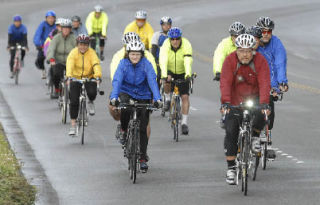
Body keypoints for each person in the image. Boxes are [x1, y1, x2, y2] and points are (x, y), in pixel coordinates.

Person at [220, 34, 271, 185]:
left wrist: (264, 103)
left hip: (254, 99)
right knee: (231, 132)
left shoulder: (260, 61)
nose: (245, 55)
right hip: (235, 101)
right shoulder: (230, 61)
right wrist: (226, 103)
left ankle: (255, 136)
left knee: (265, 112)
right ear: (236, 50)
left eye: (248, 51)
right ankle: (231, 169)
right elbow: (225, 82)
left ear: (253, 51)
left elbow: (264, 82)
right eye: (241, 51)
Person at [109, 40, 162, 173]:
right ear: (128, 54)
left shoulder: (146, 64)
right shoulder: (123, 64)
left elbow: (152, 81)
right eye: (132, 54)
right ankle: (124, 130)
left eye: (137, 54)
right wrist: (114, 97)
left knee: (143, 127)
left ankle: (143, 158)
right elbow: (117, 80)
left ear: (141, 54)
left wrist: (157, 99)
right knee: (125, 108)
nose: (135, 57)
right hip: (125, 91)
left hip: (143, 94)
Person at [109, 32, 157, 144]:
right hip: (124, 88)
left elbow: (153, 74)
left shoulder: (147, 55)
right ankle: (123, 126)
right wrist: (116, 96)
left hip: (144, 89)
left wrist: (155, 96)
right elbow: (114, 76)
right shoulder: (119, 56)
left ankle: (142, 147)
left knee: (146, 118)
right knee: (118, 107)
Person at [256, 17, 289, 159]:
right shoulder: (253, 42)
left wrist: (282, 83)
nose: (265, 34)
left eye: (268, 31)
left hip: (270, 84)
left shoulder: (277, 44)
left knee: (269, 113)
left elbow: (280, 64)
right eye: (263, 31)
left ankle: (268, 143)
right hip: (252, 82)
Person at [66, 34, 102, 135]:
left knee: (92, 92)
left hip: (89, 77)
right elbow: (70, 64)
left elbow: (96, 64)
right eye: (81, 44)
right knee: (73, 101)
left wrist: (97, 76)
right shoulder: (73, 53)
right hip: (75, 78)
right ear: (77, 44)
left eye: (85, 45)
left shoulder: (92, 53)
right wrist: (69, 76)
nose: (83, 47)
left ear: (88, 45)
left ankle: (90, 101)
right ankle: (73, 124)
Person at [159, 27, 193, 135]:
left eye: (177, 39)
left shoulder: (186, 44)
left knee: (185, 97)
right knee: (167, 82)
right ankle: (168, 98)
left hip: (182, 71)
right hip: (169, 70)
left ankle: (184, 123)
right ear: (169, 39)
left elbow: (188, 60)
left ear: (180, 38)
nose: (175, 41)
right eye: (172, 39)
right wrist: (164, 75)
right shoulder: (165, 45)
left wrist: (188, 74)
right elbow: (163, 60)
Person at [46, 19, 77, 98]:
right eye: (64, 28)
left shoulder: (74, 38)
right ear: (61, 29)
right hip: (58, 61)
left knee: (75, 76)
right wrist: (51, 59)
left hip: (70, 62)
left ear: (70, 29)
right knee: (55, 73)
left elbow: (78, 50)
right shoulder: (56, 38)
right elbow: (51, 49)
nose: (66, 30)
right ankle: (57, 89)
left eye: (68, 28)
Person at [33, 10, 56, 79]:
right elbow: (37, 35)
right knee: (39, 59)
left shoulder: (57, 26)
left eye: (52, 18)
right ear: (46, 19)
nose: (51, 20)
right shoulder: (42, 25)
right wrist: (38, 44)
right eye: (49, 18)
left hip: (55, 45)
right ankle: (43, 69)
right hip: (44, 46)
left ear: (55, 19)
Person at [151, 16, 172, 85]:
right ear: (161, 26)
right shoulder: (157, 35)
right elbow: (153, 50)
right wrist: (156, 61)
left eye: (168, 24)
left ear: (170, 25)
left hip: (170, 60)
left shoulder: (174, 35)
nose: (166, 26)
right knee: (157, 77)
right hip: (159, 60)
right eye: (164, 25)